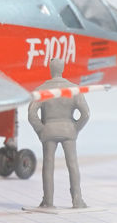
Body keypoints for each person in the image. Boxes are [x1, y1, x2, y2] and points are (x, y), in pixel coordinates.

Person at [27, 58, 90, 209]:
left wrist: (41, 130)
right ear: (62, 69)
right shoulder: (74, 89)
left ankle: (48, 201)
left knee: (48, 166)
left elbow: (31, 114)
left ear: (51, 69)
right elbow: (86, 114)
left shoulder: (42, 89)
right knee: (73, 165)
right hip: (68, 130)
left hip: (49, 130)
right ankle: (77, 200)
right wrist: (75, 128)